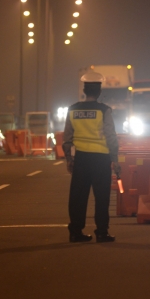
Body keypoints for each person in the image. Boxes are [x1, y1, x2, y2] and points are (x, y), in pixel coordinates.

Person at [63, 71, 121, 243]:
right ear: (99, 91)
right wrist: (115, 160)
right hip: (101, 159)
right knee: (102, 197)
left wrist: (69, 160)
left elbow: (67, 138)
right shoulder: (104, 110)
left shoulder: (72, 110)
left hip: (81, 159)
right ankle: (102, 232)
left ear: (84, 90)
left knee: (78, 198)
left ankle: (75, 232)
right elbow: (111, 136)